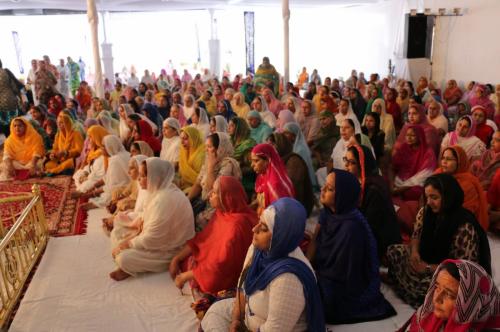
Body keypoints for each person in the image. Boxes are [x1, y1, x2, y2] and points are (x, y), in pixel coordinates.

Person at [201, 197, 325, 332]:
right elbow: (242, 287)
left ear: (280, 236)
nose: (254, 229)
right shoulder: (259, 250)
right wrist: (236, 319)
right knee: (214, 313)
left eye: (264, 228)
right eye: (259, 222)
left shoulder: (288, 279)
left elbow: (275, 329)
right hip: (250, 316)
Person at [387, 174, 491, 308]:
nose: (429, 202)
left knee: (440, 289)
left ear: (448, 197)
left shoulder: (464, 226)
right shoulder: (426, 212)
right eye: (427, 197)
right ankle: (412, 288)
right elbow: (416, 235)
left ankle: (418, 293)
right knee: (393, 251)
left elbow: (461, 267)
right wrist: (414, 252)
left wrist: (428, 268)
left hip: (448, 273)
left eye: (434, 197)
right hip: (425, 262)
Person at [307, 169, 397, 324]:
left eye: (329, 189)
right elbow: (315, 240)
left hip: (346, 282)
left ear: (343, 195)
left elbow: (343, 273)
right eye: (324, 186)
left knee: (325, 300)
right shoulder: (328, 212)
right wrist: (307, 267)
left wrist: (316, 276)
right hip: (325, 269)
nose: (322, 190)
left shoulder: (351, 228)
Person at [169, 176, 257, 295]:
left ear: (226, 198)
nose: (210, 194)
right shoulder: (221, 213)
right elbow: (201, 241)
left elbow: (222, 265)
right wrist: (176, 259)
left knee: (211, 281)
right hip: (211, 265)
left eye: (215, 192)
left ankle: (197, 274)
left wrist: (187, 276)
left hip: (225, 274)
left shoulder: (237, 225)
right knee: (186, 259)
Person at [110, 158, 195, 281]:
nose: (139, 179)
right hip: (158, 240)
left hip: (172, 248)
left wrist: (128, 243)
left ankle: (130, 267)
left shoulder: (164, 199)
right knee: (118, 229)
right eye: (140, 175)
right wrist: (135, 228)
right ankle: (132, 263)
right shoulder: (159, 190)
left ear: (155, 176)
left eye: (143, 176)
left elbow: (152, 239)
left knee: (123, 258)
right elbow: (145, 216)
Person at [405, 259, 500, 332]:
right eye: (437, 287)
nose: (436, 299)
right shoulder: (427, 314)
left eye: (449, 294)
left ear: (472, 304)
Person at [345, 145, 401, 259]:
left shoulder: (374, 188)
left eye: (352, 162)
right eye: (346, 161)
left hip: (379, 238)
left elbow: (371, 225)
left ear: (362, 164)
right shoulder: (359, 181)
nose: (346, 166)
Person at [435, 145, 489, 231]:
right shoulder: (437, 174)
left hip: (459, 224)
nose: (444, 162)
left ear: (459, 162)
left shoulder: (468, 184)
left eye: (449, 159)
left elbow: (465, 212)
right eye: (443, 158)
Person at [268, 133, 314, 217]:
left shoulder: (293, 160)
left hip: (296, 205)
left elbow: (289, 187)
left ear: (281, 145)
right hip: (282, 202)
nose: (269, 148)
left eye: (272, 145)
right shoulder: (276, 161)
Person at [392, 125, 437, 201]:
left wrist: (401, 189)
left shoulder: (428, 152)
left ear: (420, 136)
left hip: (417, 182)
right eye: (407, 135)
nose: (409, 138)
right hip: (401, 179)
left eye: (412, 135)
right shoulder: (404, 147)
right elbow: (394, 165)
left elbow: (424, 174)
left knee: (415, 192)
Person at [250, 143, 295, 215]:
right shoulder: (262, 177)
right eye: (252, 161)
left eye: (256, 161)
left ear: (268, 160)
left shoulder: (275, 184)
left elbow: (279, 214)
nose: (252, 165)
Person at [72, 125, 108, 194]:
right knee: (78, 176)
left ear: (96, 138)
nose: (88, 140)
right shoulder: (94, 151)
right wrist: (85, 173)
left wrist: (87, 177)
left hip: (98, 179)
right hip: (92, 174)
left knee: (85, 186)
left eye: (91, 137)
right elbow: (90, 166)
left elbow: (101, 174)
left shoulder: (104, 154)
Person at [283, 122, 318, 187]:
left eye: (287, 133)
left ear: (294, 135)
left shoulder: (300, 149)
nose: (284, 135)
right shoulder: (291, 146)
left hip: (303, 182)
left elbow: (300, 171)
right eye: (284, 133)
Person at [228, 117, 256, 198]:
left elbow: (252, 167)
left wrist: (236, 169)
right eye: (229, 125)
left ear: (239, 128)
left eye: (232, 125)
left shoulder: (248, 145)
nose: (228, 128)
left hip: (245, 183)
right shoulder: (231, 142)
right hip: (232, 177)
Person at [0, 59, 24, 136]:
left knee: (6, 126)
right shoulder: (6, 71)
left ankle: (11, 142)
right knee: (16, 122)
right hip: (11, 100)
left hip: (1, 105)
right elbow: (15, 87)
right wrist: (20, 98)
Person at [178, 126, 205, 193]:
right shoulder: (184, 152)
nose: (182, 142)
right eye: (181, 138)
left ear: (193, 139)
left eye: (185, 139)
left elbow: (202, 181)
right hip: (185, 185)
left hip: (199, 188)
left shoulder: (201, 155)